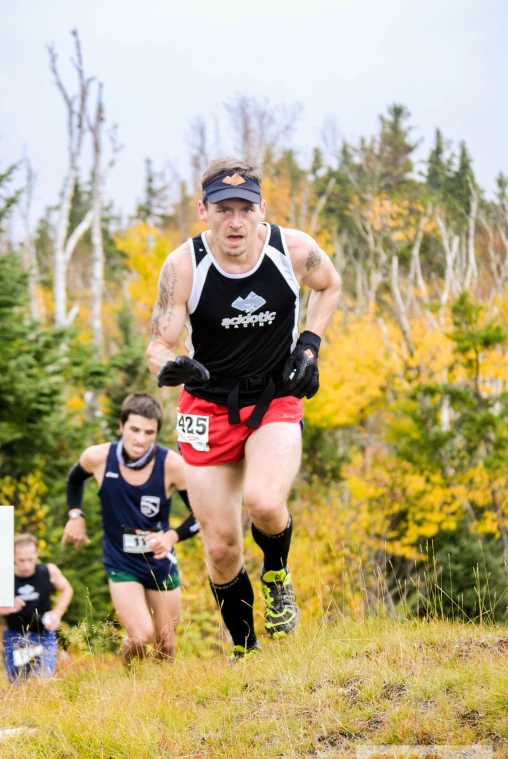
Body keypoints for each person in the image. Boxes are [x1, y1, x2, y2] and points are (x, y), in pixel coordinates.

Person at [146, 157, 341, 659]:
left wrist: (310, 343)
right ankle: (247, 651)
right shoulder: (183, 265)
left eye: (245, 209)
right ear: (203, 210)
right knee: (220, 547)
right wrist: (172, 365)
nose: (234, 221)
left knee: (265, 503)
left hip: (273, 396)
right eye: (222, 208)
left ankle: (277, 574)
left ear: (261, 210)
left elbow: (330, 285)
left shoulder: (292, 249)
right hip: (207, 406)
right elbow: (157, 345)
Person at [61, 392, 199, 664]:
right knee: (139, 635)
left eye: (149, 432)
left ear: (157, 432)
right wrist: (75, 515)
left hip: (159, 563)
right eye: (134, 429)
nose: (140, 439)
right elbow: (74, 480)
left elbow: (201, 515)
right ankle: (129, 682)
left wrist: (171, 536)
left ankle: (160, 698)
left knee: (166, 644)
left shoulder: (171, 464)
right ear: (121, 426)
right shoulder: (99, 457)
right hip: (120, 561)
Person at [1, 533, 73, 683]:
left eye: (30, 559)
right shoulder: (4, 577)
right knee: (17, 685)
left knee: (44, 679)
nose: (26, 565)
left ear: (37, 554)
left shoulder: (48, 571)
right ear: (13, 557)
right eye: (21, 560)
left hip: (43, 634)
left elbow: (67, 589)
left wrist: (57, 613)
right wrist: (4, 606)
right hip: (15, 636)